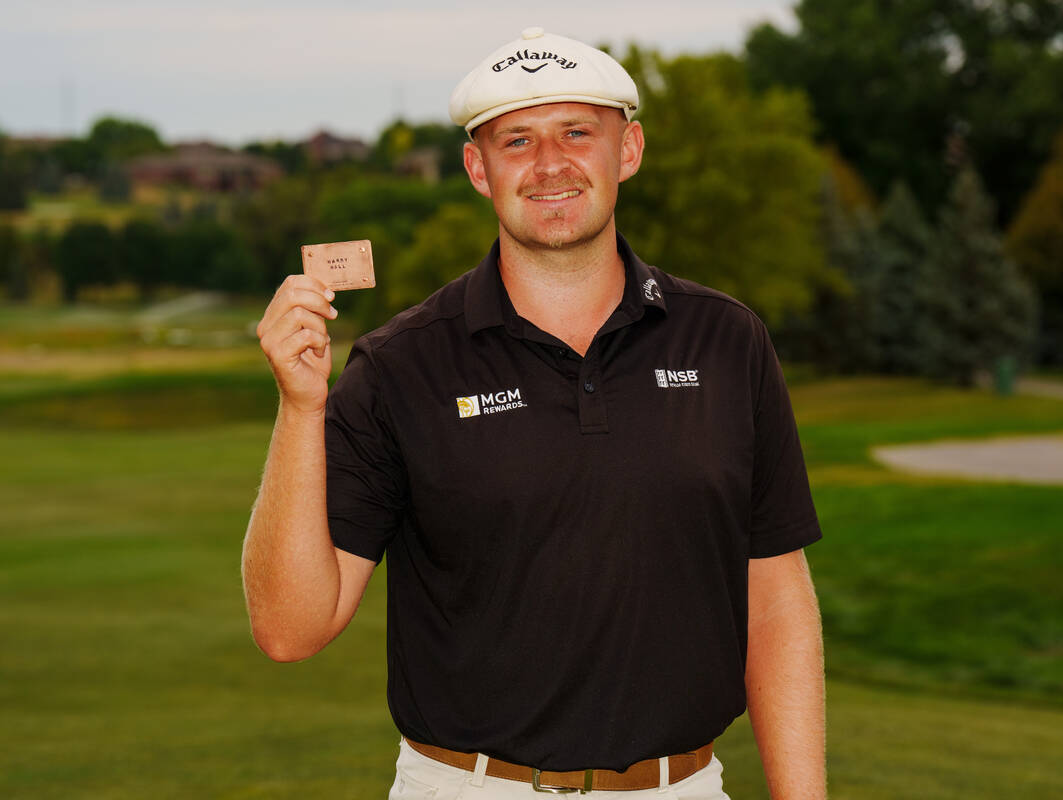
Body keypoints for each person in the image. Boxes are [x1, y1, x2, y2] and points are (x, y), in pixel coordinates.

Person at [243, 27, 825, 800]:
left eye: (577, 132)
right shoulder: (400, 365)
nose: (550, 163)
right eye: (517, 140)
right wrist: (299, 408)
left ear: (629, 150)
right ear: (477, 169)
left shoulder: (726, 340)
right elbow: (289, 629)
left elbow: (776, 596)